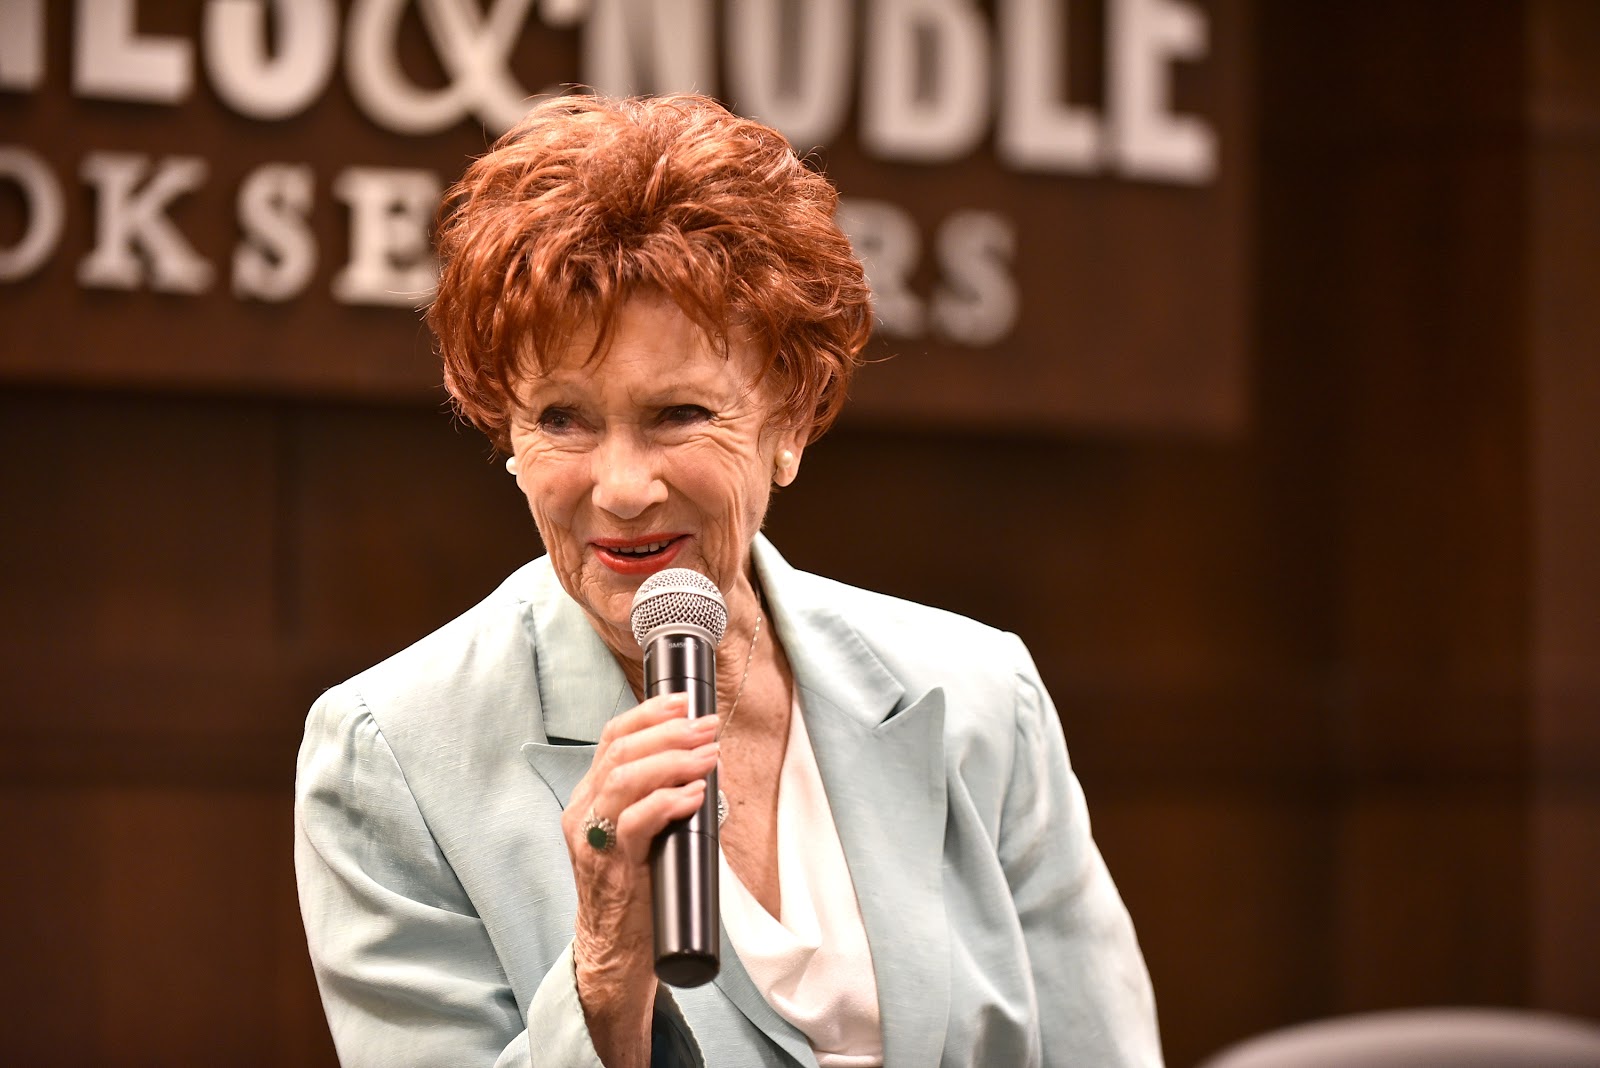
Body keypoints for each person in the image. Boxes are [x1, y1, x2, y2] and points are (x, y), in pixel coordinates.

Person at [294, 92, 1162, 1068]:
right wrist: (603, 980)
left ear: (788, 418)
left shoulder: (979, 694)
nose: (620, 489)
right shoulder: (391, 756)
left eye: (676, 414)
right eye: (561, 420)